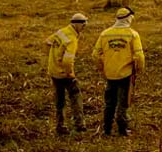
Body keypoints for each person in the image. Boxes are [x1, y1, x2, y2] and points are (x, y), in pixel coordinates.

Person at [92, 7, 145, 136]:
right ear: (129, 18)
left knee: (109, 103)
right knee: (123, 102)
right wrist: (138, 69)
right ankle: (122, 129)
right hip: (126, 75)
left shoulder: (105, 34)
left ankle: (107, 129)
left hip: (110, 74)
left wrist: (103, 69)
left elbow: (95, 54)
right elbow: (139, 56)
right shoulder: (133, 34)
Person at [44, 13, 89, 135]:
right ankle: (80, 125)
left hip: (53, 72)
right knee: (76, 97)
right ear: (76, 24)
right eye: (83, 24)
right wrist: (71, 74)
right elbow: (68, 61)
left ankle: (60, 126)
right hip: (65, 74)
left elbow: (48, 42)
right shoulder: (72, 40)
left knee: (60, 100)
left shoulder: (61, 32)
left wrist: (53, 58)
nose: (85, 26)